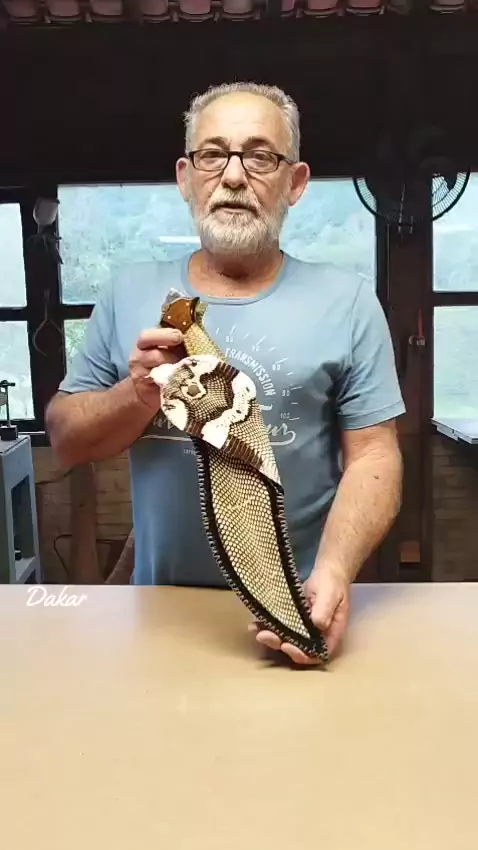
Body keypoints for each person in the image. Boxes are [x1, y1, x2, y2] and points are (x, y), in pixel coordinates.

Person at [46, 82, 405, 666]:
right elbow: (66, 439)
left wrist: (336, 571)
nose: (234, 176)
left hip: (295, 608)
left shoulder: (349, 302)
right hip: (160, 620)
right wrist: (137, 394)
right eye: (213, 155)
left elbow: (374, 455)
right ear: (186, 177)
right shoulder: (127, 291)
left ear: (296, 183)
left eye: (260, 156)